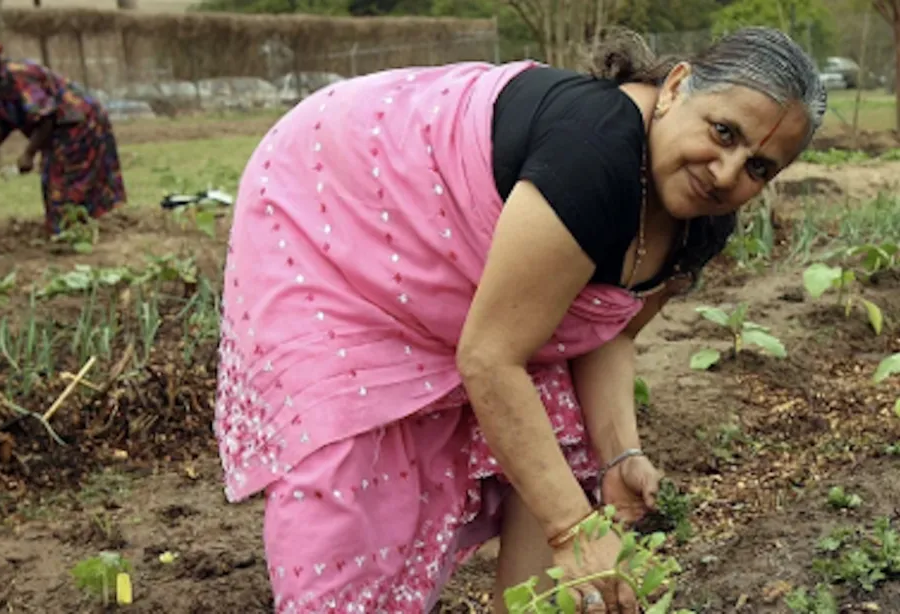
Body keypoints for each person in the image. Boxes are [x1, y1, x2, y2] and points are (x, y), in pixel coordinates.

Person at [214, 26, 825, 614]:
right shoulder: (595, 155)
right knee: (351, 466)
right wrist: (574, 529)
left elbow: (609, 334)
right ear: (675, 87)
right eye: (723, 132)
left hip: (449, 275)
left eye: (759, 167)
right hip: (337, 203)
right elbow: (489, 357)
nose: (726, 172)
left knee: (559, 427)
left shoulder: (701, 221)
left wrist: (619, 456)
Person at [0, 25, 126, 235]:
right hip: (58, 129)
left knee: (64, 179)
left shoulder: (18, 76)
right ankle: (70, 229)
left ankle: (72, 231)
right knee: (52, 179)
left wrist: (28, 153)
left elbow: (47, 116)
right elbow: (1, 128)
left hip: (79, 123)